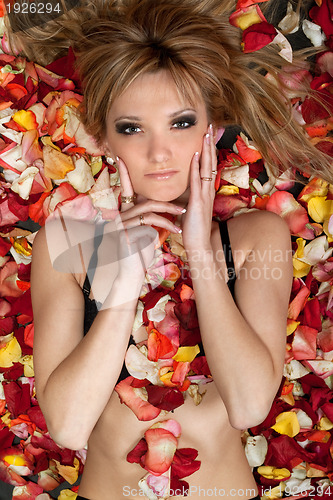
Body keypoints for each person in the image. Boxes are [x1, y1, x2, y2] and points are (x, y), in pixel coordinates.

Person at [6, 0, 333, 498]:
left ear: (211, 126)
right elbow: (68, 427)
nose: (159, 153)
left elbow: (248, 406)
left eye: (180, 123)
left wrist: (201, 256)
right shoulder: (67, 243)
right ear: (105, 139)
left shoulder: (255, 238)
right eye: (132, 128)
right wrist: (123, 285)